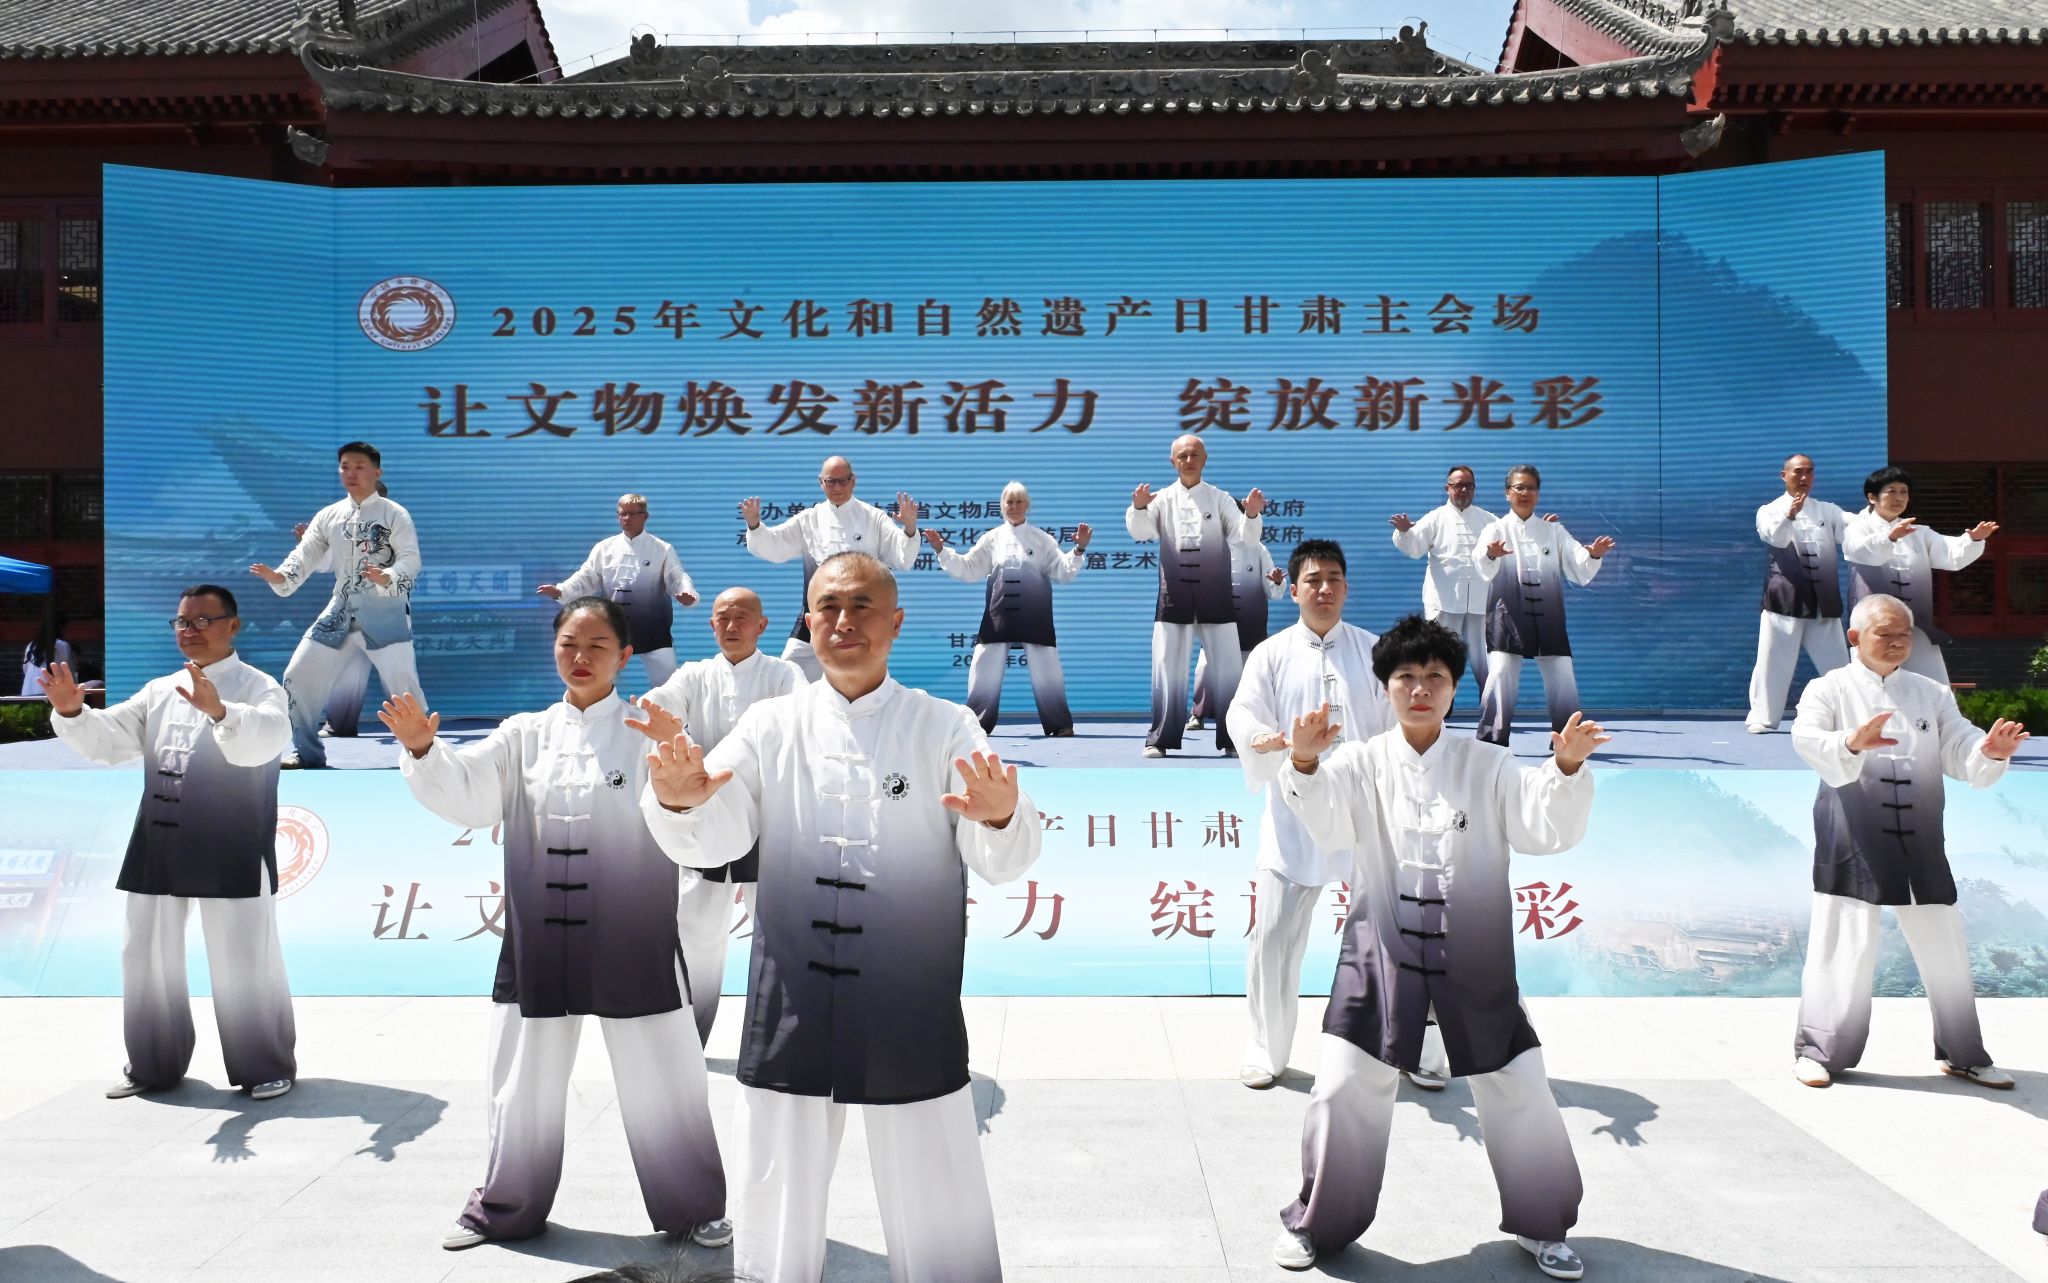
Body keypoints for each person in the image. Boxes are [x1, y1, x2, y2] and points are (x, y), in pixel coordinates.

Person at [641, 551, 1041, 1283]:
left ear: (896, 621)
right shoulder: (770, 723)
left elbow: (1001, 852)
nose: (843, 621)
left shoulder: (944, 724)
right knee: (774, 1193)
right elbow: (719, 829)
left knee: (936, 1187)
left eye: (862, 606)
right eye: (828, 606)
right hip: (791, 994)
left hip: (908, 994)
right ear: (807, 621)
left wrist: (1001, 816)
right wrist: (678, 798)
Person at [380, 597, 728, 1252]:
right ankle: (505, 1206)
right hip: (539, 937)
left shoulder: (650, 731)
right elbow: (470, 792)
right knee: (521, 1082)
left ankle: (694, 1208)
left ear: (626, 656)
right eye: (569, 643)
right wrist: (424, 749)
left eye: (598, 645)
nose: (581, 657)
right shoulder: (524, 733)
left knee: (666, 1078)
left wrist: (678, 763)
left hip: (633, 934)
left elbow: (693, 821)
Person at [1271, 615, 1607, 1280]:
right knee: (1341, 1088)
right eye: (1406, 677)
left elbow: (1542, 826)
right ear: (1385, 688)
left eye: (1435, 677)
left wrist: (1566, 767)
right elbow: (1327, 823)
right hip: (1378, 952)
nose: (1420, 688)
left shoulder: (1489, 763)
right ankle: (1319, 1224)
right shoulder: (1360, 762)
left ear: (1455, 688)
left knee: (1519, 1085)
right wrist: (1304, 760)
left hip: (1475, 955)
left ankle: (1544, 1224)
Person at [41, 584, 297, 1102]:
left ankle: (264, 1065)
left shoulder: (259, 687)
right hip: (159, 838)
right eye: (182, 621)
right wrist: (72, 713)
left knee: (245, 958)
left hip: (231, 839)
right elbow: (110, 739)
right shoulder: (161, 689)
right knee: (144, 955)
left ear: (233, 626)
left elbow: (269, 739)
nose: (189, 630)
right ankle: (152, 1064)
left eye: (203, 620)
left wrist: (222, 712)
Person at [1788, 592, 2025, 1091]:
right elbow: (1807, 739)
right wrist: (1851, 742)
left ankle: (1964, 1054)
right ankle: (1819, 1053)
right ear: (1854, 637)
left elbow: (1960, 744)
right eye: (1885, 634)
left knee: (1946, 950)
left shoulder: (1931, 693)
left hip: (1921, 835)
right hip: (1851, 833)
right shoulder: (1827, 689)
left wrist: (1989, 750)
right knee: (1842, 946)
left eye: (1904, 635)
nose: (1897, 643)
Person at [1225, 539, 1411, 1091]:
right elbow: (1242, 711)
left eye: (1333, 579)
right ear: (1294, 590)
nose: (1324, 588)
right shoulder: (1271, 653)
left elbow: (1404, 718)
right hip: (1294, 811)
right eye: (1313, 580)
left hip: (1367, 811)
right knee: (1273, 938)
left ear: (1346, 588)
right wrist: (1263, 738)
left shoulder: (1375, 651)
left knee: (1401, 935)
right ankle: (1267, 1049)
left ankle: (1417, 1048)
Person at [638, 587, 805, 1043]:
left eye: (742, 617)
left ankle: (782, 1043)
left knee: (779, 939)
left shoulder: (784, 675)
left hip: (768, 824)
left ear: (762, 625)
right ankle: (687, 1042)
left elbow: (803, 720)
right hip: (704, 819)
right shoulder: (694, 675)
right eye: (723, 618)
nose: (732, 626)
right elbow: (661, 703)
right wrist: (659, 719)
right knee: (695, 938)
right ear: (711, 625)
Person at [250, 442, 423, 768]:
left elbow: (411, 559)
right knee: (297, 676)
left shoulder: (395, 514)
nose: (350, 473)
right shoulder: (328, 516)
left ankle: (421, 753)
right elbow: (306, 555)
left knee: (403, 688)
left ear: (376, 472)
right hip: (339, 611)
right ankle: (307, 752)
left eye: (359, 467)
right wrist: (281, 576)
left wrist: (387, 576)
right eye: (345, 466)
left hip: (385, 615)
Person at [1126, 434, 1265, 757]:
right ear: (1172, 461)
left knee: (1229, 673)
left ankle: (1233, 739)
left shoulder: (1220, 499)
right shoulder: (1161, 500)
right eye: (1182, 456)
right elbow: (1141, 532)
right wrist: (1139, 507)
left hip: (1217, 597)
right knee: (1167, 671)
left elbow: (1245, 539)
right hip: (1173, 598)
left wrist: (1252, 515)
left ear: (1205, 459)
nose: (1189, 461)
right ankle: (1160, 739)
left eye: (1194, 455)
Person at [927, 481, 1091, 737]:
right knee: (983, 669)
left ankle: (1059, 724)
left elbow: (1062, 571)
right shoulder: (991, 538)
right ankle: (977, 724)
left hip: (1035, 614)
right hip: (998, 615)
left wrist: (1079, 549)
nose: (1013, 507)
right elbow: (968, 568)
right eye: (1009, 502)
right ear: (1002, 506)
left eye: (1018, 502)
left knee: (1048, 671)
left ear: (1027, 505)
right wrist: (941, 550)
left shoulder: (1041, 539)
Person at [740, 456, 918, 682]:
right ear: (821, 483)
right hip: (818, 612)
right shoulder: (809, 519)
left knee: (862, 678)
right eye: (831, 481)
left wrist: (910, 529)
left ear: (853, 481)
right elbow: (775, 545)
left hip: (859, 617)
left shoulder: (873, 518)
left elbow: (903, 557)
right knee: (790, 672)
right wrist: (755, 525)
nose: (838, 487)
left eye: (843, 481)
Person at [1474, 466, 1614, 747]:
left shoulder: (1554, 531)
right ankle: (1491, 741)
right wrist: (1491, 554)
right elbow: (1481, 565)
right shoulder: (1495, 529)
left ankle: (1567, 741)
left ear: (1538, 493)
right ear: (1507, 493)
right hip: (1506, 616)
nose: (1525, 493)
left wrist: (1593, 555)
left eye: (1531, 488)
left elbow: (1578, 562)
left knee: (1563, 677)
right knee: (1499, 675)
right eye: (1519, 487)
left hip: (1548, 617)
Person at [1841, 466, 1997, 685]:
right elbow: (1860, 551)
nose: (1899, 497)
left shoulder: (1919, 533)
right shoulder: (1857, 529)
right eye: (1891, 491)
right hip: (1873, 627)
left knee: (1933, 684)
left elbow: (1950, 553)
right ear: (1872, 497)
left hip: (1916, 625)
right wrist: (1889, 538)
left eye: (1903, 492)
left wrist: (1973, 540)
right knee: (1874, 684)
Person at [540, 493, 700, 687]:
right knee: (598, 676)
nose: (626, 518)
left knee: (668, 684)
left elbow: (677, 576)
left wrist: (686, 593)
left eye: (632, 514)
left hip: (653, 627)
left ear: (645, 516)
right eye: (622, 514)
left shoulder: (662, 549)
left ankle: (666, 708)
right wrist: (561, 591)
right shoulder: (604, 548)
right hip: (613, 626)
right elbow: (586, 577)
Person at [1747, 454, 1851, 734]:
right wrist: (1790, 515)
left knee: (1838, 667)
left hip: (1823, 600)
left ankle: (1850, 717)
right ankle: (1763, 717)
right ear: (1784, 475)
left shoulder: (1828, 511)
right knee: (1772, 662)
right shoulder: (1769, 510)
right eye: (1798, 472)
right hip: (1784, 600)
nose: (1804, 477)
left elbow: (1855, 529)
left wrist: (1880, 520)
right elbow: (1775, 538)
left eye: (1809, 472)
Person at [1390, 464, 1496, 701]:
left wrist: (1539, 530)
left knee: (1487, 659)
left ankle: (1491, 709)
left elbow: (1512, 542)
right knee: (1440, 658)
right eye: (1458, 485)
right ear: (1448, 488)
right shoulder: (1435, 518)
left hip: (1480, 602)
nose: (1463, 490)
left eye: (1468, 485)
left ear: (1474, 488)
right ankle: (1440, 708)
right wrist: (1405, 532)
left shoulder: (1489, 520)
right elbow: (1414, 548)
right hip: (1444, 602)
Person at [1190, 521, 1285, 731]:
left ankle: (1257, 716)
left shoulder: (1258, 549)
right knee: (1205, 669)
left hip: (1250, 622)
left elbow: (1273, 589)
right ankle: (1198, 714)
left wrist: (1276, 582)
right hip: (1217, 620)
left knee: (1253, 672)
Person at [20, 608, 72, 698]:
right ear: (61, 627)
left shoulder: (31, 645)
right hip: (49, 693)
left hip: (28, 690)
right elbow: (66, 671)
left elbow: (25, 669)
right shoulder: (61, 645)